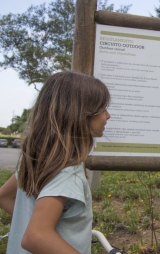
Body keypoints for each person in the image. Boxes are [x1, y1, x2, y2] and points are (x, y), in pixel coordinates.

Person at [0, 71, 110, 254]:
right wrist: (42, 232)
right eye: (103, 108)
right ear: (80, 114)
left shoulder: (38, 163)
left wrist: (35, 224)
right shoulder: (68, 172)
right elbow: (36, 236)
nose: (108, 115)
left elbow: (3, 196)